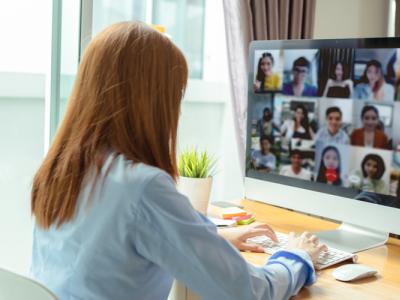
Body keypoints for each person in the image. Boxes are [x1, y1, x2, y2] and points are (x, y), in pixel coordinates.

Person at [30, 22, 326, 300]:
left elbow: (121, 236)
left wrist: (211, 241)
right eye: (175, 96)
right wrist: (296, 257)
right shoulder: (142, 186)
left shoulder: (62, 169)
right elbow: (245, 292)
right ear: (153, 103)